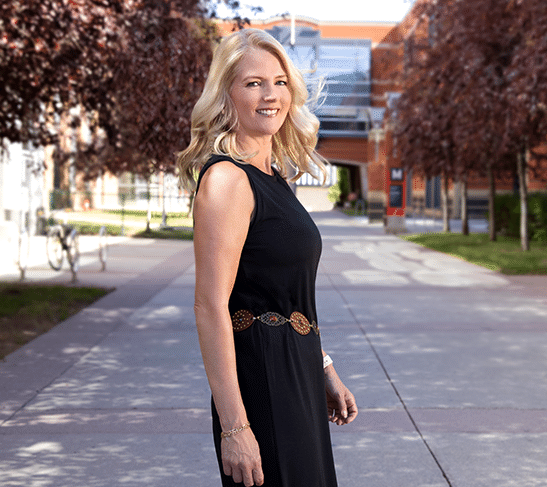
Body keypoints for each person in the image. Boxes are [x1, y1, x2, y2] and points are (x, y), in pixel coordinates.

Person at [176, 29, 358, 487]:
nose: (270, 94)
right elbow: (209, 306)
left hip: (297, 374)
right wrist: (236, 427)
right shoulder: (226, 180)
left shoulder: (273, 178)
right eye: (253, 83)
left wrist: (323, 366)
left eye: (279, 81)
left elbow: (279, 291)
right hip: (261, 380)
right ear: (227, 95)